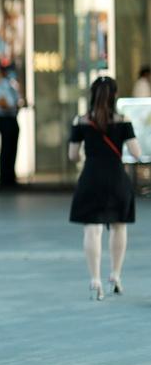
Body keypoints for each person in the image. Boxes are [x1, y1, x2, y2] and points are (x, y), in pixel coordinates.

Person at [69, 76, 141, 300]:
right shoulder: (123, 120)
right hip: (117, 179)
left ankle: (95, 280)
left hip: (91, 178)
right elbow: (137, 153)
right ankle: (115, 276)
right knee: (119, 227)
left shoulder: (81, 121)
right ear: (114, 96)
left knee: (92, 229)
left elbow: (72, 155)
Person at [0, 65, 23, 188]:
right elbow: (2, 103)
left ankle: (11, 177)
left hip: (13, 118)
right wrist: (12, 106)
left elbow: (19, 100)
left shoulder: (13, 85)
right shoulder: (1, 86)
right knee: (6, 149)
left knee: (13, 149)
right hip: (5, 119)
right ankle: (4, 179)